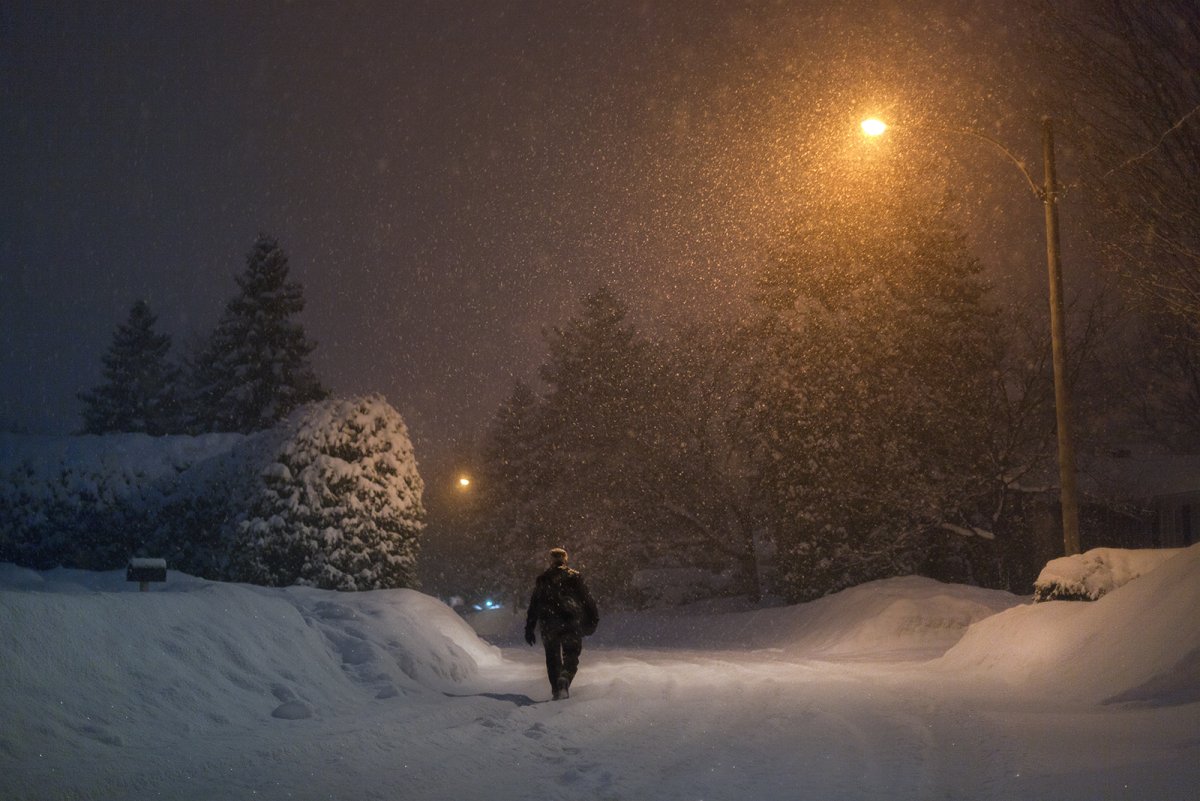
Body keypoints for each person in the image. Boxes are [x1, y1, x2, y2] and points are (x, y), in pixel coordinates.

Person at [524, 547, 599, 700]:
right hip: (570, 622)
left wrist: (530, 627)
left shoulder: (543, 579)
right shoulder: (574, 577)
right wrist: (593, 618)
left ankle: (556, 691)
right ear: (565, 559)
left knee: (552, 658)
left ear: (551, 560)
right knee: (571, 654)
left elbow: (534, 605)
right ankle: (564, 678)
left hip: (548, 624)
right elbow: (587, 600)